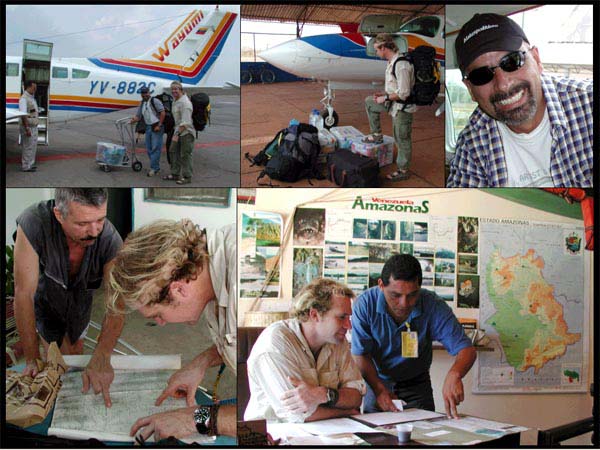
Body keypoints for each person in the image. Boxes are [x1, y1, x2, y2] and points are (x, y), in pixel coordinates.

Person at [84, 219, 236, 440]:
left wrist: (193, 419)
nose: (161, 322)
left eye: (157, 314)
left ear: (179, 290)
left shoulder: (245, 290)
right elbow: (242, 340)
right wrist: (201, 363)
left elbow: (285, 421)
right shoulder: (210, 261)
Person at [447, 13, 593, 187]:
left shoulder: (589, 106)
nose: (503, 84)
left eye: (512, 61)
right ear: (470, 89)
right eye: (481, 75)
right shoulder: (473, 143)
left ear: (537, 60)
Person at [13, 188, 123, 378]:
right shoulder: (34, 223)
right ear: (59, 214)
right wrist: (31, 358)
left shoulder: (110, 239)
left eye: (100, 219)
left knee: (74, 356)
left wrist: (102, 355)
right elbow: (23, 294)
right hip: (46, 300)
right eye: (82, 223)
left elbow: (117, 303)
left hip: (80, 303)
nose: (94, 231)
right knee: (53, 363)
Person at [351, 254, 476, 419]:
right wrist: (379, 389)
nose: (404, 303)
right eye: (396, 295)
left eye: (412, 295)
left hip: (417, 384)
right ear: (381, 285)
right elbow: (360, 354)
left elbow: (466, 349)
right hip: (377, 381)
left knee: (423, 437)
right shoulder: (365, 305)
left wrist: (455, 374)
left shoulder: (433, 305)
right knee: (377, 439)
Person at [245, 278, 365, 423]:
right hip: (272, 436)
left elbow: (356, 397)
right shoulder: (275, 343)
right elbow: (299, 415)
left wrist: (324, 394)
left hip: (327, 432)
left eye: (349, 317)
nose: (348, 326)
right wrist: (345, 412)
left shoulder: (337, 341)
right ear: (314, 315)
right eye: (342, 317)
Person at [363, 33, 415, 182]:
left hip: (403, 108)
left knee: (401, 138)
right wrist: (384, 93)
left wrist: (385, 97)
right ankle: (377, 135)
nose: (376, 53)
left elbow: (404, 93)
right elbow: (395, 88)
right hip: (393, 102)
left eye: (377, 50)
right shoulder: (391, 62)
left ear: (384, 47)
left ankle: (403, 169)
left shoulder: (401, 64)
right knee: (369, 102)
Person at [162, 81, 195, 185]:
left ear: (181, 90)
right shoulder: (175, 101)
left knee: (185, 154)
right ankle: (175, 173)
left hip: (186, 133)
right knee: (173, 151)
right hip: (178, 130)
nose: (173, 91)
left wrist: (176, 135)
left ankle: (187, 177)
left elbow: (186, 122)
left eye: (176, 89)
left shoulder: (185, 103)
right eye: (172, 89)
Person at [131, 87, 165, 177]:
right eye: (142, 93)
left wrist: (159, 125)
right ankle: (155, 166)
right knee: (149, 148)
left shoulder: (155, 101)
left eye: (146, 93)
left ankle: (154, 168)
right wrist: (133, 120)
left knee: (155, 148)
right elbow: (138, 116)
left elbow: (162, 113)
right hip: (148, 126)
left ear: (149, 93)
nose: (144, 94)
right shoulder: (142, 103)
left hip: (156, 126)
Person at [18, 80, 40, 172]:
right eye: (34, 87)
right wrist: (27, 128)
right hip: (28, 126)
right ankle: (25, 166)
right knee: (27, 147)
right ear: (29, 87)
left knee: (33, 146)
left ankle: (30, 164)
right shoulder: (24, 99)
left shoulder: (31, 98)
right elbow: (23, 115)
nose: (35, 89)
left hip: (34, 126)